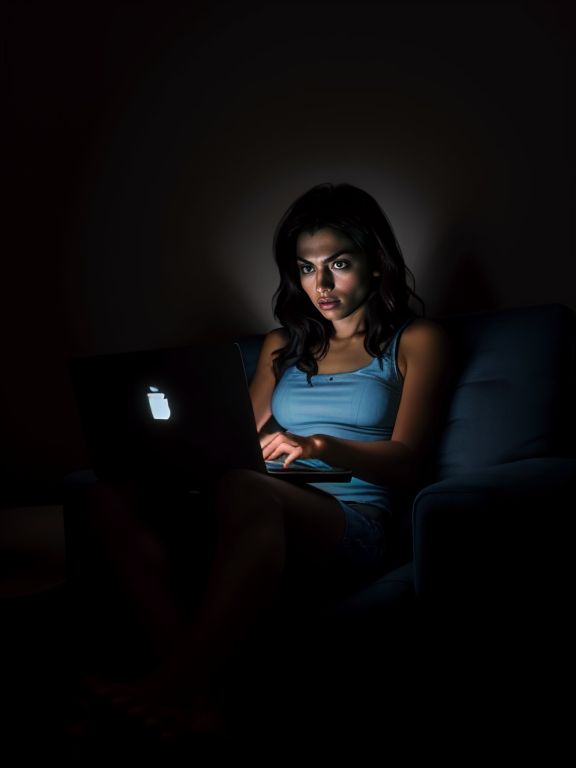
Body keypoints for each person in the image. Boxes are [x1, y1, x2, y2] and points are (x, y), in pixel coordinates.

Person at [83, 182, 453, 741]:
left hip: (349, 518)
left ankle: (171, 686)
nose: (321, 285)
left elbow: (406, 463)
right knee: (108, 496)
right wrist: (170, 452)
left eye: (339, 264)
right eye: (306, 268)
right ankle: (201, 700)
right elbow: (235, 441)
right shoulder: (283, 346)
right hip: (258, 499)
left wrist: (320, 446)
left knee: (247, 489)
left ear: (376, 264)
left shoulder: (415, 340)